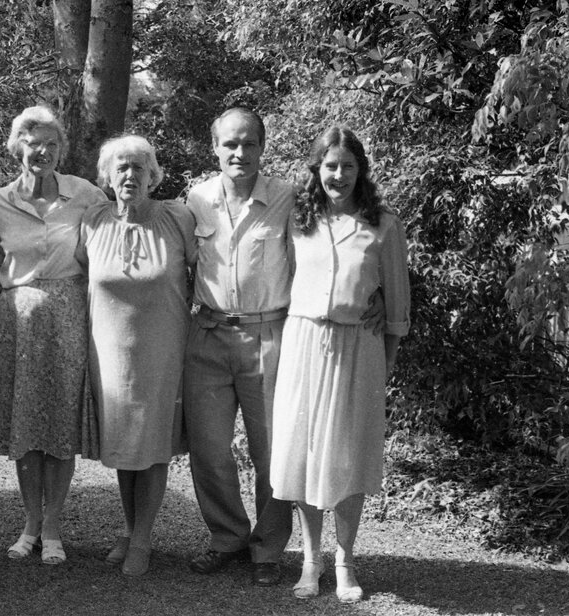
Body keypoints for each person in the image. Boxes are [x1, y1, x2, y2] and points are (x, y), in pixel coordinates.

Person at [269, 126, 410, 603]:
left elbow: (397, 303)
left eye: (348, 166)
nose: (339, 175)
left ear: (360, 170)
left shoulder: (383, 223)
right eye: (330, 165)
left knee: (350, 453)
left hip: (359, 347)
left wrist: (384, 364)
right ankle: (311, 560)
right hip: (304, 343)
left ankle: (345, 560)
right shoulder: (297, 219)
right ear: (317, 169)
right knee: (305, 453)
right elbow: (282, 278)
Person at [0, 106, 105, 565]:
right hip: (17, 321)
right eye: (34, 144)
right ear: (18, 148)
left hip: (68, 316)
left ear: (61, 149)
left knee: (59, 423)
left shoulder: (86, 195)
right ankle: (31, 523)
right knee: (26, 425)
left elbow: (104, 251)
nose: (43, 152)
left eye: (52, 144)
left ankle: (53, 526)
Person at [182, 108, 296, 584]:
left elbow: (317, 256)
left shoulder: (286, 197)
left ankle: (268, 548)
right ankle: (227, 537)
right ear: (214, 147)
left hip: (268, 335)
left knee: (272, 451)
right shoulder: (196, 200)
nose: (240, 152)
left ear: (262, 147)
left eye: (249, 143)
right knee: (209, 449)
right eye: (230, 143)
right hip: (208, 335)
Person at [77, 134, 197, 576]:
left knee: (152, 443)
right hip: (109, 352)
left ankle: (143, 537)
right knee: (123, 441)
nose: (130, 175)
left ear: (152, 175)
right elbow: (79, 273)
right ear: (108, 177)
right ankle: (129, 529)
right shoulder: (93, 221)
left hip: (161, 350)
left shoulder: (177, 217)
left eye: (138, 167)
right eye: (121, 168)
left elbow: (206, 274)